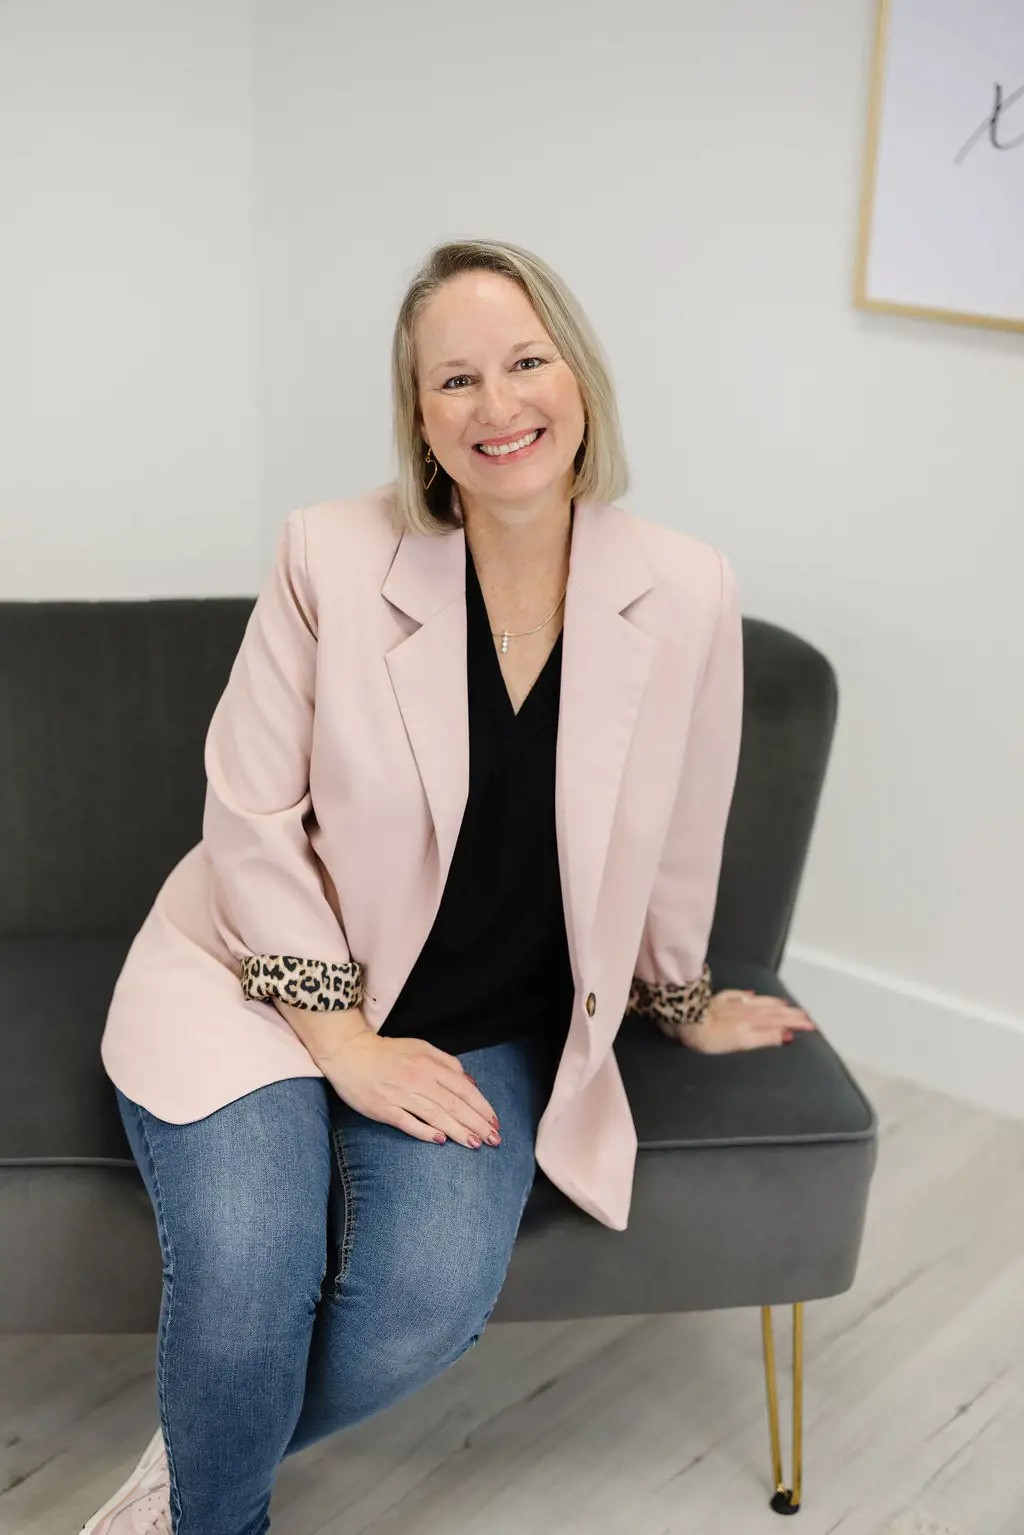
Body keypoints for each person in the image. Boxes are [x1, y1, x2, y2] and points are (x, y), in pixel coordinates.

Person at [83, 237, 814, 1535]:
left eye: (527, 362)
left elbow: (683, 825)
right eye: (455, 380)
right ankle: (216, 1516)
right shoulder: (329, 554)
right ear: (419, 419)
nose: (499, 405)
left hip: (483, 1021)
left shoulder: (689, 589)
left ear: (579, 378)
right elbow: (247, 814)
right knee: (251, 1271)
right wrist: (343, 1042)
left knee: (422, 1305)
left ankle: (197, 1462)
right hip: (261, 977)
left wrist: (683, 995)